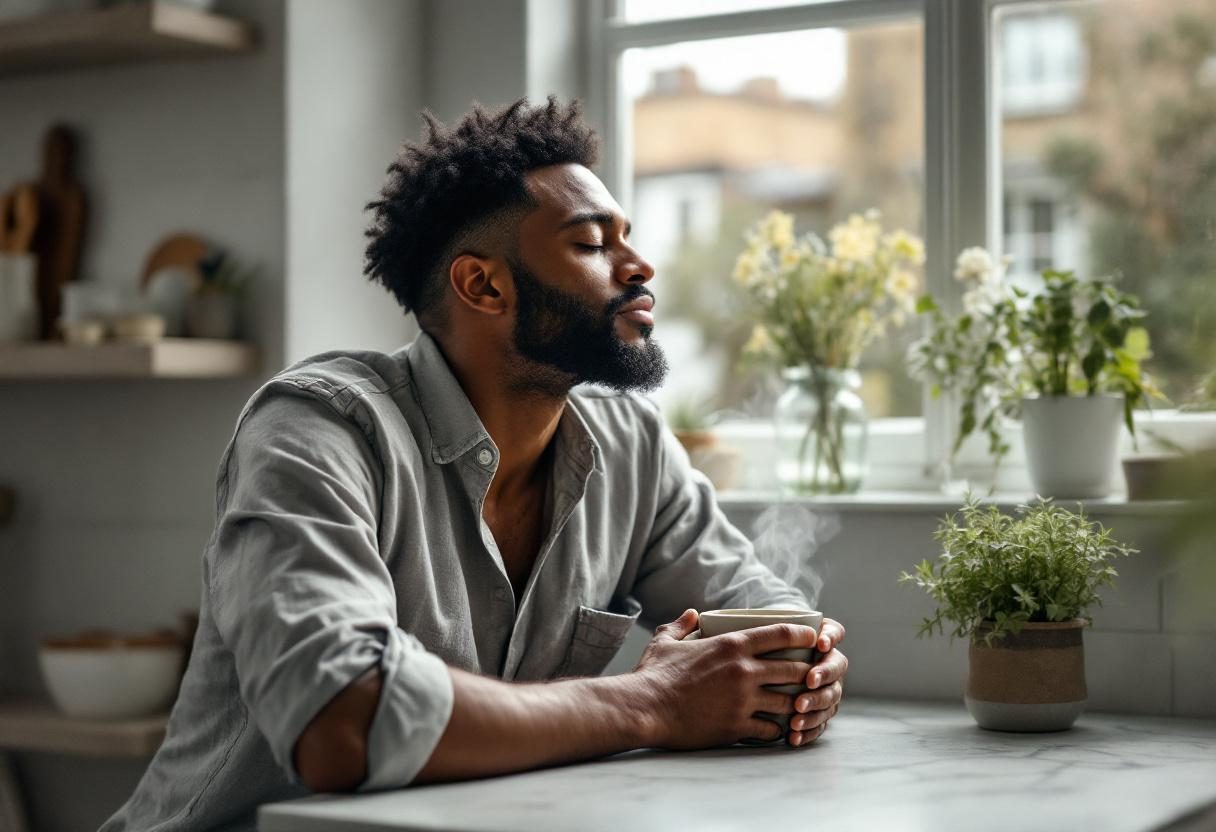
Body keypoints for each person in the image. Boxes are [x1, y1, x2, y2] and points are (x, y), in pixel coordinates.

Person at [101, 97, 848, 831]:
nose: (639, 265)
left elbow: (771, 624)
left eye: (625, 237)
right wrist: (652, 701)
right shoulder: (317, 429)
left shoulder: (634, 448)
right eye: (591, 245)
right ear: (483, 285)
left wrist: (805, 671)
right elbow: (342, 723)